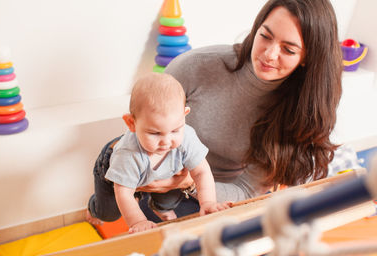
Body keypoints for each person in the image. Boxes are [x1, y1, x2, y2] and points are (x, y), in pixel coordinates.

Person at [137, 0, 343, 212]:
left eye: (288, 50)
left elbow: (245, 190)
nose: (269, 54)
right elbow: (141, 131)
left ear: (307, 58)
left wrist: (191, 184)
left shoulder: (300, 108)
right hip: (161, 180)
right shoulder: (195, 66)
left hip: (222, 195)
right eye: (265, 36)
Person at [87, 72, 231, 233]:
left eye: (175, 130)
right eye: (155, 133)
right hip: (116, 173)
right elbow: (124, 193)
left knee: (170, 200)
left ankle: (160, 208)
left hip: (161, 172)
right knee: (109, 214)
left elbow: (202, 172)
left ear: (185, 115)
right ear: (131, 123)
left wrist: (208, 202)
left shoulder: (187, 137)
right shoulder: (127, 153)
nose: (166, 141)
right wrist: (138, 221)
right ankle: (94, 207)